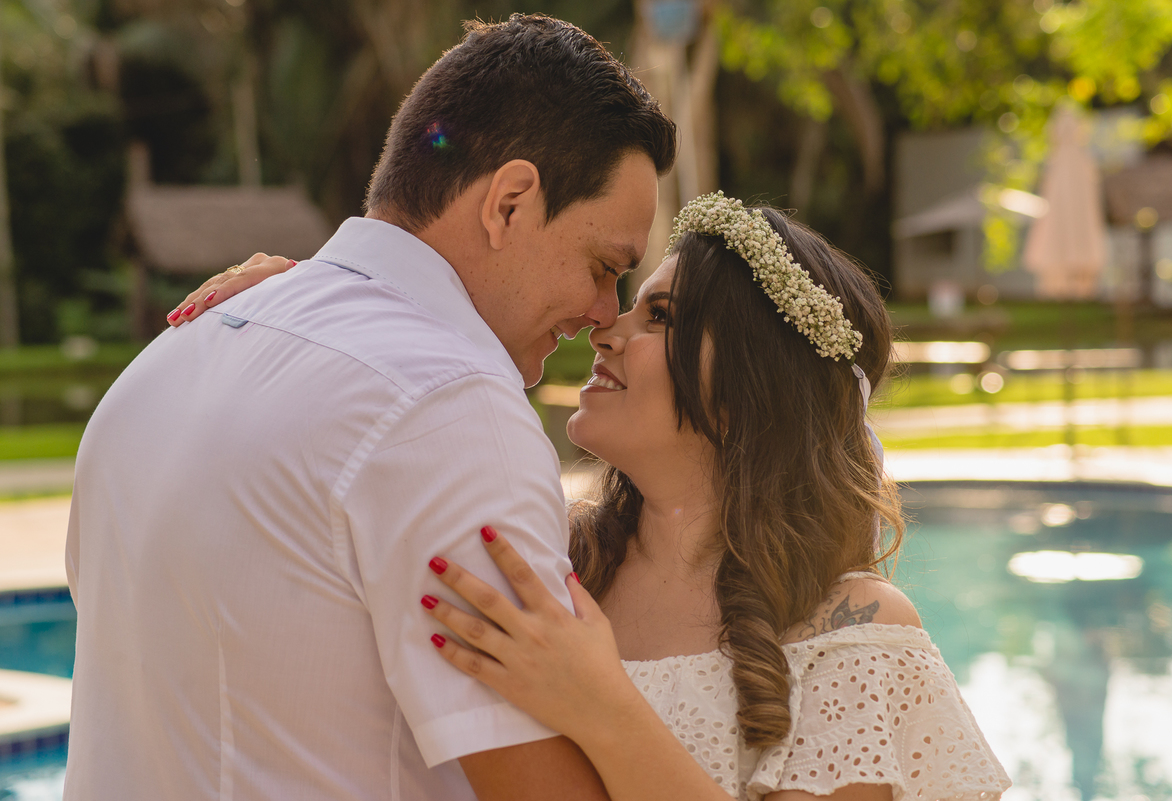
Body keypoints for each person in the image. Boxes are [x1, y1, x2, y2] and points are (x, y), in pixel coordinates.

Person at [193, 194, 1012, 800]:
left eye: (659, 314)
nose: (607, 327)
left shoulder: (856, 631)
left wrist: (603, 703)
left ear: (747, 389)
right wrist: (323, 305)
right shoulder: (550, 560)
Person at [64, 14, 675, 801]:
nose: (604, 310)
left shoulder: (165, 363)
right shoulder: (453, 415)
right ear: (511, 203)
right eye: (603, 266)